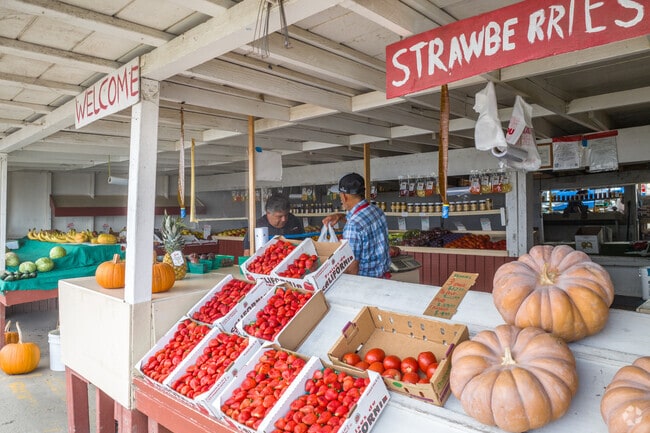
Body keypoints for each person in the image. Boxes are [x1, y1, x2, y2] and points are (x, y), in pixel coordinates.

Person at [322, 173, 391, 278]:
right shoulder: (376, 210)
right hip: (382, 278)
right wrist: (340, 217)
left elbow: (351, 268)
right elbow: (362, 225)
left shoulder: (353, 226)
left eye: (340, 195)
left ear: (344, 196)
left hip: (365, 284)